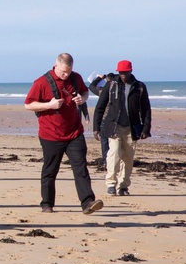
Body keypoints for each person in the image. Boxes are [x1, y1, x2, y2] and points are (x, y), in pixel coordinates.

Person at [24, 53, 104, 214]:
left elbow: (85, 92)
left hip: (74, 132)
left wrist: (82, 98)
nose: (66, 75)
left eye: (68, 72)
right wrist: (49, 105)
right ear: (56, 66)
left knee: (80, 166)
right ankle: (47, 204)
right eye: (63, 72)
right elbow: (28, 105)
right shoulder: (41, 82)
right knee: (50, 170)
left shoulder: (76, 78)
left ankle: (88, 203)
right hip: (50, 134)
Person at [93, 60, 152, 197]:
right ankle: (111, 184)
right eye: (120, 73)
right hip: (114, 126)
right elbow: (100, 107)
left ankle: (123, 186)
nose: (123, 75)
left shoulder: (139, 87)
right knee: (113, 154)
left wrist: (146, 129)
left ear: (131, 71)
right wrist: (96, 127)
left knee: (128, 158)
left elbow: (146, 109)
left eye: (125, 72)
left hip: (132, 128)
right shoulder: (111, 85)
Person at [88, 72, 117, 170]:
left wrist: (99, 78)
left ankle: (107, 161)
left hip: (105, 119)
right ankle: (114, 161)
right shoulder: (120, 90)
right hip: (116, 120)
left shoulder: (103, 90)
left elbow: (91, 86)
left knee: (105, 142)